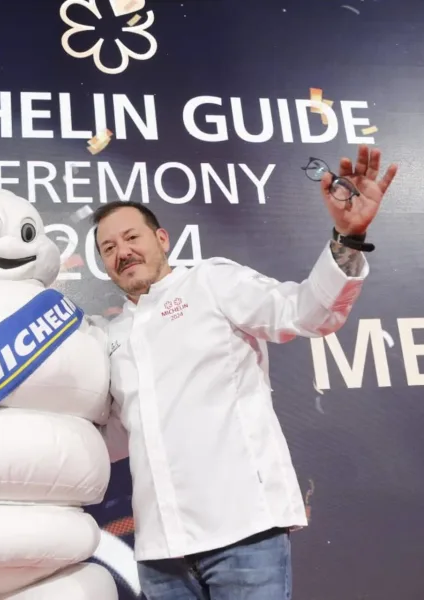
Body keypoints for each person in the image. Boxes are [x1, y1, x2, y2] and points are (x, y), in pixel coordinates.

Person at [93, 145, 398, 600]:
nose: (122, 252)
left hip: (244, 533)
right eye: (108, 248)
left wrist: (348, 238)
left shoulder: (211, 281)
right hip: (159, 554)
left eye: (131, 237)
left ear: (162, 239)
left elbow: (305, 311)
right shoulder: (112, 336)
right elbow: (119, 438)